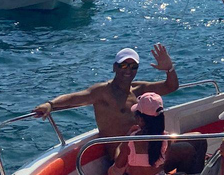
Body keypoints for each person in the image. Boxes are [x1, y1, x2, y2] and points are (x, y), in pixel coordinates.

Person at [33, 45, 179, 160]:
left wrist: (169, 68)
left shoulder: (139, 89)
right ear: (114, 67)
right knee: (185, 150)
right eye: (123, 65)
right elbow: (75, 97)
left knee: (194, 141)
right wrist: (50, 105)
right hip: (120, 156)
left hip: (145, 147)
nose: (128, 70)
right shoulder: (103, 92)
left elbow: (171, 86)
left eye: (133, 66)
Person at [113, 93, 197, 175]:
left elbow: (118, 164)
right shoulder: (165, 139)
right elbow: (162, 164)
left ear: (141, 120)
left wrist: (125, 138)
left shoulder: (131, 140)